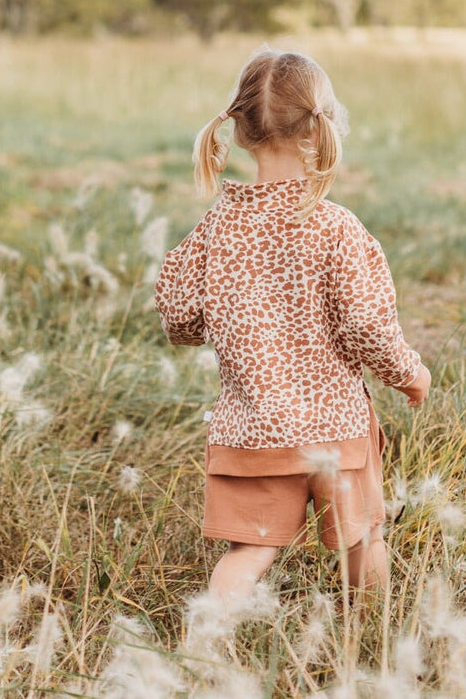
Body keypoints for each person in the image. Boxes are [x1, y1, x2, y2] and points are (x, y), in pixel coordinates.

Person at [154, 49, 430, 604]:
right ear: (319, 128)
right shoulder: (336, 227)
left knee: (248, 552)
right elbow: (367, 326)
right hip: (337, 433)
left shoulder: (217, 228)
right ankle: (370, 641)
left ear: (238, 127)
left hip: (251, 430)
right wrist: (411, 375)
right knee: (363, 538)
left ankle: (202, 649)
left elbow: (179, 318)